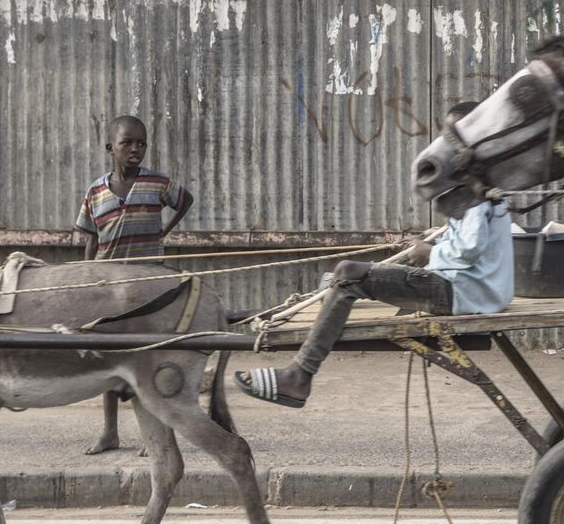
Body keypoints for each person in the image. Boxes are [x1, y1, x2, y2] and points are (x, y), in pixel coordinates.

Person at [237, 103, 514, 409]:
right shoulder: (483, 188)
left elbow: (469, 250)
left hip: (459, 293)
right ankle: (305, 359)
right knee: (335, 281)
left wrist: (430, 252)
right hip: (473, 292)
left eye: (453, 139)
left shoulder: (477, 197)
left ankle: (300, 375)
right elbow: (471, 243)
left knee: (347, 273)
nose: (445, 146)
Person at [75, 115, 195, 453]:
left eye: (141, 143)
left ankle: (152, 434)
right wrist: (87, 277)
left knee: (149, 357)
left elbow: (185, 200)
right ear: (110, 147)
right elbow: (89, 237)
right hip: (109, 285)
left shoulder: (157, 183)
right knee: (110, 358)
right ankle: (109, 432)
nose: (135, 149)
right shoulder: (96, 191)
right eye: (127, 142)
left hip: (148, 285)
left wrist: (165, 232)